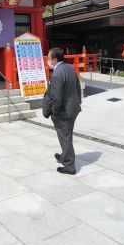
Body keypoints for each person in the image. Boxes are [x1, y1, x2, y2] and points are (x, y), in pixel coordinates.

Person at [42, 47, 82, 175]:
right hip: (73, 108)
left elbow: (57, 98)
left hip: (63, 111)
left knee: (65, 137)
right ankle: (64, 156)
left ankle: (69, 166)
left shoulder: (57, 74)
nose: (48, 60)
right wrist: (78, 102)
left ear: (54, 59)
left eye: (48, 58)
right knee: (67, 134)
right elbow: (77, 86)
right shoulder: (70, 68)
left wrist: (54, 112)